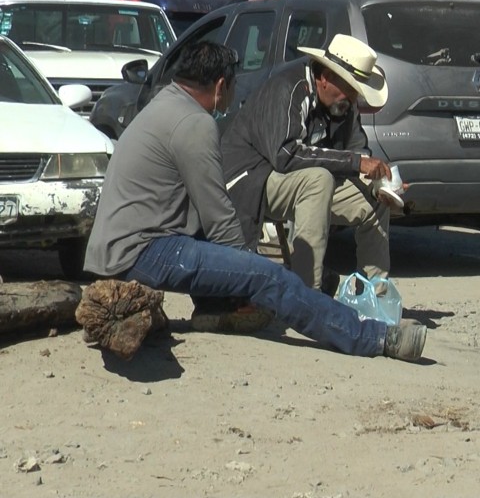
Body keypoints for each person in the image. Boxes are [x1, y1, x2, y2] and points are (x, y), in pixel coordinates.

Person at [82, 40, 426, 362]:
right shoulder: (194, 123)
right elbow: (218, 217)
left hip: (125, 245)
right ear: (220, 87)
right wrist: (250, 272)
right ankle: (373, 338)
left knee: (254, 269)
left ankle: (220, 308)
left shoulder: (166, 104)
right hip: (142, 251)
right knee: (269, 276)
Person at [221, 33, 396, 294]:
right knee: (319, 180)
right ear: (324, 77)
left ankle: (374, 297)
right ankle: (306, 297)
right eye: (347, 88)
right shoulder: (288, 89)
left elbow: (357, 153)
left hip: (301, 184)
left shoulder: (344, 106)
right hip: (252, 180)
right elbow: (285, 155)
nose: (350, 98)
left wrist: (381, 185)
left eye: (355, 91)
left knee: (375, 203)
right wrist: (355, 162)